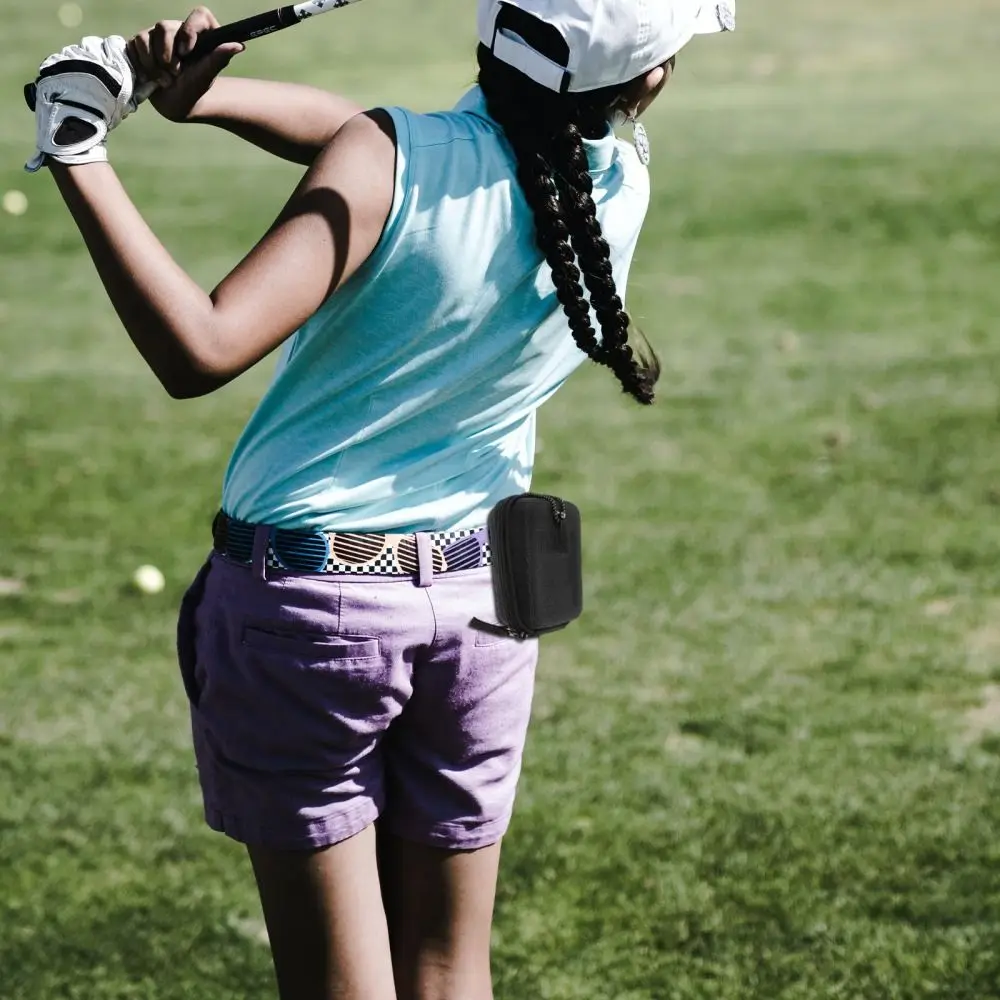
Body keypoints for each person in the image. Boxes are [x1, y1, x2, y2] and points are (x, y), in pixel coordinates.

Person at [25, 1, 734, 997]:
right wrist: (208, 101)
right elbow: (368, 141)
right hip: (490, 606)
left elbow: (202, 348)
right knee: (448, 971)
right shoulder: (615, 186)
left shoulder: (389, 156)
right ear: (645, 79)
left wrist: (76, 143)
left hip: (313, 617)